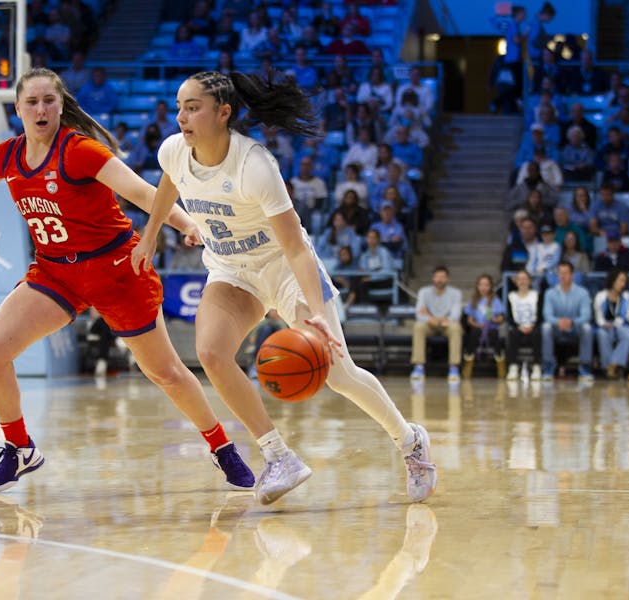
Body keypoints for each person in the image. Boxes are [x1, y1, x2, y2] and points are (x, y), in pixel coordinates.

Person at [0, 67, 254, 494]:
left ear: (61, 106)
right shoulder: (6, 155)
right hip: (56, 272)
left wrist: (185, 223)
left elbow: (142, 193)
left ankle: (222, 447)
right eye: (32, 102)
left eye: (49, 101)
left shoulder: (80, 151)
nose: (41, 109)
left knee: (166, 372)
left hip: (115, 269)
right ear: (17, 108)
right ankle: (20, 447)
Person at [130, 70, 435, 505]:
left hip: (285, 269)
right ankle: (278, 457)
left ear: (223, 113)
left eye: (192, 107)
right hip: (233, 270)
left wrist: (315, 313)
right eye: (179, 106)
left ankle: (411, 442)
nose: (181, 116)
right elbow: (169, 183)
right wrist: (151, 233)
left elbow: (295, 248)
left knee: (338, 373)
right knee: (212, 353)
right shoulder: (174, 151)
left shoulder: (255, 165)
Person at [541, 261, 594, 381]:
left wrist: (572, 322)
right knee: (546, 327)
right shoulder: (550, 293)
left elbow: (586, 315)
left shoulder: (582, 293)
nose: (562, 276)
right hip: (557, 328)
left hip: (575, 328)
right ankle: (548, 367)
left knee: (587, 328)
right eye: (560, 273)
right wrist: (558, 322)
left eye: (565, 273)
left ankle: (585, 368)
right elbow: (547, 315)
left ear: (572, 275)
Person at [410, 266, 463, 383]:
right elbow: (419, 313)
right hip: (430, 324)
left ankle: (454, 367)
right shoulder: (424, 292)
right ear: (433, 278)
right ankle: (418, 366)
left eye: (443, 277)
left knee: (456, 328)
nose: (440, 279)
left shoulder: (456, 293)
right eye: (437, 277)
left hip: (447, 324)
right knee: (418, 326)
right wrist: (432, 319)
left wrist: (434, 318)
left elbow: (455, 314)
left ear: (447, 279)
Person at [461, 274, 505, 379]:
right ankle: (469, 361)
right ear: (477, 286)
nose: (483, 287)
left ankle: (500, 363)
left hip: (491, 327)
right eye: (481, 285)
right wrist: (478, 325)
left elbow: (500, 318)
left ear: (490, 286)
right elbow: (469, 320)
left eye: (486, 285)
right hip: (477, 327)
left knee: (494, 335)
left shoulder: (495, 300)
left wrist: (493, 320)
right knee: (473, 333)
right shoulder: (473, 300)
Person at [593, 268, 629, 379]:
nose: (623, 284)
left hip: (621, 324)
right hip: (605, 324)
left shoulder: (627, 296)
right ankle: (607, 367)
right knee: (602, 334)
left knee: (628, 335)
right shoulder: (601, 296)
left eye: (624, 281)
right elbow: (598, 316)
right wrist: (603, 323)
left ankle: (613, 364)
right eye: (620, 280)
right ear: (613, 281)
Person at [505, 270, 542, 380]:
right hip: (518, 327)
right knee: (512, 333)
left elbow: (540, 315)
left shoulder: (536, 295)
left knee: (537, 334)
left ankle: (536, 366)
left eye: (525, 279)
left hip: (532, 327)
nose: (522, 281)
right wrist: (519, 326)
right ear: (516, 281)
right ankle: (513, 366)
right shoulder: (511, 296)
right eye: (519, 279)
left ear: (530, 281)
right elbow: (510, 317)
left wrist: (532, 326)